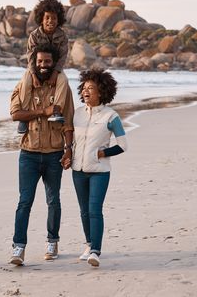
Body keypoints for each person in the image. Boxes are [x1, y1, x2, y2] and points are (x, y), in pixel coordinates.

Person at [9, 44, 74, 266]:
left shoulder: (62, 88)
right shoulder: (25, 86)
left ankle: (52, 241)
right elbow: (15, 113)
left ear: (53, 63)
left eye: (47, 62)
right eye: (39, 62)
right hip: (28, 154)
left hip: (54, 153)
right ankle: (18, 248)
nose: (43, 65)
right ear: (33, 63)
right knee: (24, 202)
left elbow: (68, 122)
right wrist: (43, 112)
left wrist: (68, 149)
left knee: (53, 200)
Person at [64, 69, 127, 268]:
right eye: (84, 87)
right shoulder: (77, 114)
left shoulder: (111, 116)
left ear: (102, 91)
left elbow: (123, 145)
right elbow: (69, 138)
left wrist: (104, 153)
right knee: (84, 211)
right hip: (78, 171)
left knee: (94, 210)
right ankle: (89, 244)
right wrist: (67, 154)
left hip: (100, 172)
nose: (86, 91)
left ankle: (96, 252)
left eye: (91, 88)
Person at [18, 0, 69, 133]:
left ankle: (56, 111)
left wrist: (55, 73)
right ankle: (23, 117)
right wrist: (34, 75)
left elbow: (63, 56)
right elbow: (30, 56)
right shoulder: (34, 35)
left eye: (53, 18)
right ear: (41, 18)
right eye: (47, 18)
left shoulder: (62, 36)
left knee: (64, 81)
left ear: (59, 20)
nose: (50, 21)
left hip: (54, 68)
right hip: (37, 68)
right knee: (25, 81)